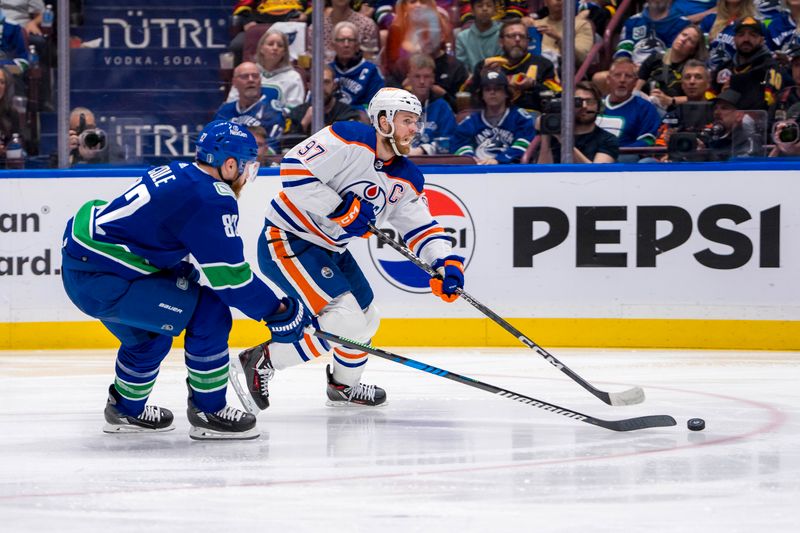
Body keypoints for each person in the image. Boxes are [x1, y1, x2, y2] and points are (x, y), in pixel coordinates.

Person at [59, 120, 313, 440]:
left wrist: (175, 269)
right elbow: (231, 282)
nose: (249, 175)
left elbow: (153, 230)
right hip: (106, 279)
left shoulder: (180, 171)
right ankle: (209, 410)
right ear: (230, 163)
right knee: (210, 312)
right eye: (248, 166)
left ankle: (126, 410)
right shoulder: (213, 197)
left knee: (151, 336)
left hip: (85, 270)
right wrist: (279, 311)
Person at [231, 87, 467, 411]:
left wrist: (445, 263)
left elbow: (420, 226)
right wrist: (341, 208)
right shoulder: (348, 137)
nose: (415, 129)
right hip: (288, 237)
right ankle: (263, 359)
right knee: (344, 321)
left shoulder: (407, 177)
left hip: (331, 250)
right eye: (407, 120)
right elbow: (294, 170)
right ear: (383, 120)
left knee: (368, 319)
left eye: (416, 122)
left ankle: (344, 386)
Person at [468, 19, 561, 114]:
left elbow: (557, 95)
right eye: (511, 36)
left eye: (522, 36)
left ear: (528, 41)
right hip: (493, 116)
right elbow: (467, 96)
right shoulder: (486, 65)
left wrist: (533, 85)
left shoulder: (543, 64)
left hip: (530, 115)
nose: (517, 39)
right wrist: (482, 79)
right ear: (501, 42)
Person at [453, 69, 535, 164]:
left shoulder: (521, 118)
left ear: (506, 93)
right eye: (487, 89)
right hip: (478, 170)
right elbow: (458, 144)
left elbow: (525, 143)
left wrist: (499, 160)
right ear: (482, 95)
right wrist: (471, 160)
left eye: (497, 88)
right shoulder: (470, 121)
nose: (492, 92)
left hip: (510, 171)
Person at [711, 17, 787, 111]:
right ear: (734, 39)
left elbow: (770, 104)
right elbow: (710, 103)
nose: (746, 39)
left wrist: (735, 86)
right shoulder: (723, 68)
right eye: (741, 35)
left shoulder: (771, 68)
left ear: (762, 40)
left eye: (753, 35)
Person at [537, 82, 619, 164]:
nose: (584, 106)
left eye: (589, 101)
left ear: (599, 106)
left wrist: (564, 141)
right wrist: (545, 136)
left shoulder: (608, 140)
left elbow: (596, 172)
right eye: (578, 102)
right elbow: (542, 172)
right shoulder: (554, 136)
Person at [214, 61, 284, 155]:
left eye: (255, 76)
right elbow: (214, 145)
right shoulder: (224, 111)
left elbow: (271, 151)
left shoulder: (273, 111)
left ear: (260, 80)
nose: (251, 80)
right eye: (244, 76)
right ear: (234, 82)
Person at [227, 29, 306, 112]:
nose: (275, 48)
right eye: (270, 44)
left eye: (280, 45)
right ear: (261, 48)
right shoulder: (248, 73)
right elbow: (232, 102)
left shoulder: (293, 77)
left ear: (284, 52)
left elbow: (295, 111)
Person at [639, 24, 708, 112]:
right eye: (684, 35)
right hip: (646, 107)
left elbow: (699, 97)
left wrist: (671, 100)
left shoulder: (693, 69)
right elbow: (636, 88)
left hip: (676, 113)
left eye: (690, 40)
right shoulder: (654, 58)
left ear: (693, 50)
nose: (683, 40)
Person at [596, 58, 662, 149]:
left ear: (635, 82)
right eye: (617, 75)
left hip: (624, 159)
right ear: (608, 79)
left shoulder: (645, 108)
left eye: (628, 76)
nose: (622, 80)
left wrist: (615, 153)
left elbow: (648, 140)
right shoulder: (595, 105)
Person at [285, 64, 363, 136]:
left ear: (334, 85)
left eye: (326, 82)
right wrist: (304, 123)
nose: (321, 87)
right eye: (317, 82)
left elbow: (354, 142)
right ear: (309, 86)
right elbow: (286, 145)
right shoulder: (296, 113)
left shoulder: (348, 114)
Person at [404, 53, 457, 155]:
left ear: (433, 79)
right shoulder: (396, 106)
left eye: (427, 76)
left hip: (433, 164)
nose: (422, 81)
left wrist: (424, 150)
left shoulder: (442, 107)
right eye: (417, 76)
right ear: (408, 79)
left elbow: (449, 141)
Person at [615, 0, 690, 65]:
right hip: (631, 70)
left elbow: (673, 54)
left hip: (662, 71)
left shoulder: (681, 23)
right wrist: (626, 65)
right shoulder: (632, 21)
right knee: (603, 77)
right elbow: (624, 49)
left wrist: (646, 69)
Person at [330, 21, 385, 108]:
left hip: (358, 120)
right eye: (341, 40)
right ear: (333, 45)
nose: (346, 44)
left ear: (357, 45)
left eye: (351, 40)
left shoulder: (372, 71)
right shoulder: (327, 71)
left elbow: (375, 107)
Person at [308, 0, 380, 62]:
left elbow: (369, 63)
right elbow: (311, 63)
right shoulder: (316, 28)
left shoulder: (366, 25)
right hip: (323, 76)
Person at [532, 0, 594, 67]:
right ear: (545, 2)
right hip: (536, 69)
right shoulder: (534, 25)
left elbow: (581, 57)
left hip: (566, 71)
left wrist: (559, 39)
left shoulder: (582, 25)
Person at [455, 0, 503, 72]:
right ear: (472, 11)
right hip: (472, 80)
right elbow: (462, 68)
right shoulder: (462, 37)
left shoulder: (503, 33)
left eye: (489, 5)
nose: (484, 9)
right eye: (480, 6)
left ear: (494, 10)